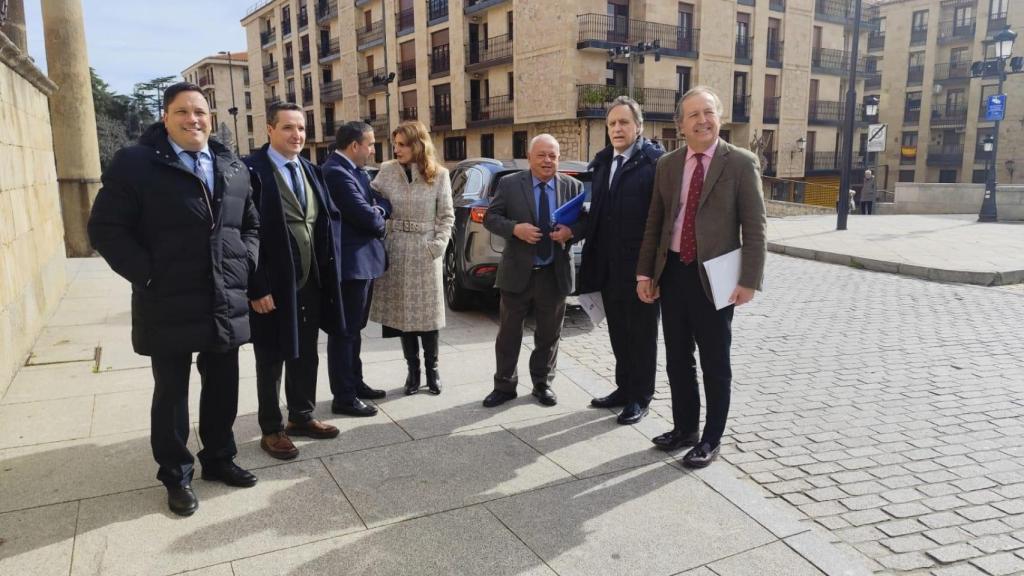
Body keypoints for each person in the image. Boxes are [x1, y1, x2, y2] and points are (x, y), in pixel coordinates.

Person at [88, 82, 260, 516]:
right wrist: (148, 275)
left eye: (200, 111)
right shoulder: (136, 164)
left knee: (223, 385)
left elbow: (250, 224)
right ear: (166, 118)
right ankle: (176, 474)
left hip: (223, 296)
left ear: (210, 117)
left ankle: (220, 459)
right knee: (172, 393)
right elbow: (106, 228)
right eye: (182, 111)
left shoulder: (231, 165)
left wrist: (245, 263)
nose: (193, 119)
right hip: (167, 299)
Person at [636, 86, 766, 468]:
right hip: (673, 272)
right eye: (693, 114)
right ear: (681, 125)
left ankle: (711, 438)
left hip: (716, 277)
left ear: (719, 118)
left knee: (714, 360)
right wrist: (647, 272)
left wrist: (749, 280)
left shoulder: (740, 163)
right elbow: (655, 223)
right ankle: (684, 429)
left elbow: (755, 227)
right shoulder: (668, 164)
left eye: (708, 112)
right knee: (677, 358)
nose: (702, 120)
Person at [244, 102, 345, 461]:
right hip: (273, 285)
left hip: (311, 282)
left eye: (301, 128)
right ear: (269, 130)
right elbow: (246, 232)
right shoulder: (251, 170)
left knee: (306, 354)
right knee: (271, 358)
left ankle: (301, 416)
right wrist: (257, 287)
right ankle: (271, 429)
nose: (296, 135)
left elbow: (323, 220)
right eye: (288, 128)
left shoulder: (310, 169)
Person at [482, 134, 587, 408]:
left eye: (553, 155)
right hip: (518, 272)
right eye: (541, 155)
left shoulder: (573, 187)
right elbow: (491, 218)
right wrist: (515, 229)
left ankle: (542, 383)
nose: (547, 160)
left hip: (554, 273)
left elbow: (586, 224)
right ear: (529, 158)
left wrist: (570, 232)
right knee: (508, 333)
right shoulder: (509, 184)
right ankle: (504, 385)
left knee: (549, 334)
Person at [578, 96, 664, 425]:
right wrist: (568, 232)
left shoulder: (654, 164)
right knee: (618, 332)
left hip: (641, 272)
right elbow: (596, 215)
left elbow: (661, 222)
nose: (617, 128)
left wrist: (652, 272)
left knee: (642, 335)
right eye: (612, 123)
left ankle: (641, 397)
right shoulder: (601, 164)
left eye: (624, 122)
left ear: (638, 127)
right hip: (609, 269)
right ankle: (624, 388)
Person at [368, 121, 454, 395]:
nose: (397, 149)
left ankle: (433, 371)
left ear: (418, 144)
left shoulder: (439, 175)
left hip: (424, 251)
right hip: (396, 249)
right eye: (396, 144)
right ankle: (413, 373)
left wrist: (437, 247)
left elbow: (447, 216)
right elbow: (371, 202)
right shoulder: (386, 171)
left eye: (403, 144)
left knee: (428, 317)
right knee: (405, 318)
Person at [322, 121, 390, 414]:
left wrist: (378, 210)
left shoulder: (354, 172)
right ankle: (344, 396)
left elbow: (381, 203)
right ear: (354, 146)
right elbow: (370, 218)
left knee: (355, 329)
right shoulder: (336, 173)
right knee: (345, 332)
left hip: (362, 264)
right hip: (351, 266)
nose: (373, 150)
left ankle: (355, 382)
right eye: (370, 144)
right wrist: (378, 213)